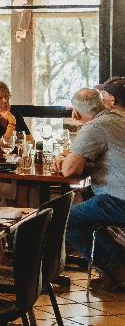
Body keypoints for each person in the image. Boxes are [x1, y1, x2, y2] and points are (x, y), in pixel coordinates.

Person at [55, 88, 125, 290]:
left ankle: (112, 268)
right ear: (102, 103)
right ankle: (120, 263)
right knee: (89, 209)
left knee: (63, 217)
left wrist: (62, 158)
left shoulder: (94, 126)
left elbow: (70, 170)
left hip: (119, 200)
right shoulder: (119, 117)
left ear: (76, 113)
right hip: (116, 197)